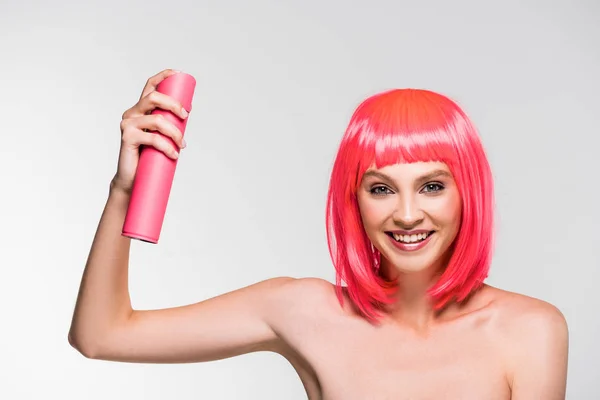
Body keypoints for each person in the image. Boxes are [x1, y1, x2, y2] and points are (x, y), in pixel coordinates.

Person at [68, 69, 569, 399]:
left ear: (468, 193)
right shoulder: (304, 311)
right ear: (354, 199)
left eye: (432, 186)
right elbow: (101, 334)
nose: (408, 213)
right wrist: (123, 191)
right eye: (381, 189)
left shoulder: (529, 329)